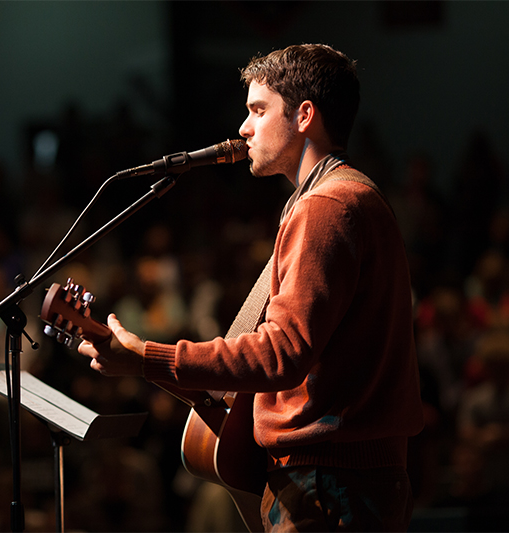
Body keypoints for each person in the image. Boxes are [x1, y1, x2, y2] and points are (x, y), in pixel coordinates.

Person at [78, 44, 425, 531]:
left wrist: (146, 358)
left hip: (329, 485)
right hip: (344, 479)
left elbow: (281, 355)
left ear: (304, 115)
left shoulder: (327, 206)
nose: (243, 128)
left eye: (258, 110)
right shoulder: (344, 197)